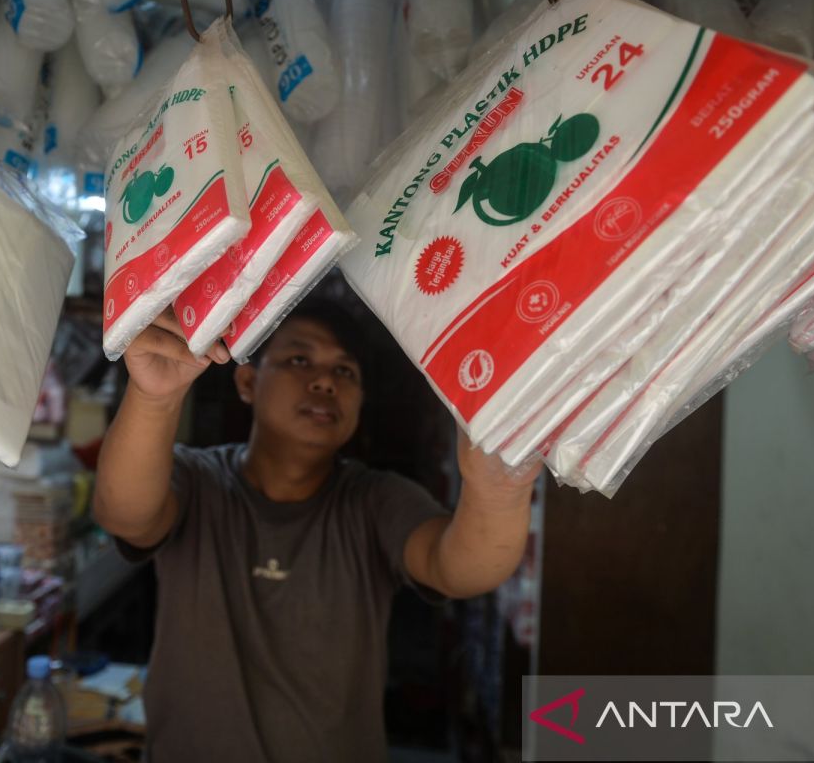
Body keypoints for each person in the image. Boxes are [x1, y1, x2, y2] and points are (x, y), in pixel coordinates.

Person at [93, 298, 540, 762]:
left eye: (345, 372)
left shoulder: (375, 502)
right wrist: (153, 397)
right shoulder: (196, 481)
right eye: (299, 360)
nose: (326, 380)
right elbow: (124, 513)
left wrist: (497, 488)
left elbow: (459, 568)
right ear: (248, 381)